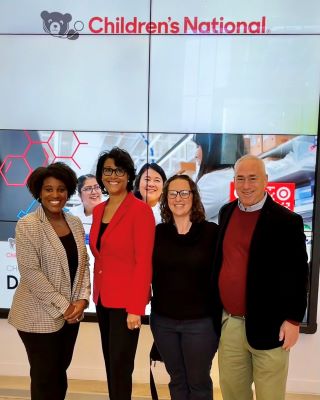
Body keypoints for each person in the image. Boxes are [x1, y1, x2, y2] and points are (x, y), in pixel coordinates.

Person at [213, 154, 309, 400]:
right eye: (240, 179)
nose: (246, 185)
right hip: (231, 324)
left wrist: (294, 320)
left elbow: (298, 274)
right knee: (233, 393)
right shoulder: (226, 212)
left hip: (271, 326)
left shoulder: (287, 221)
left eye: (253, 178)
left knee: (270, 396)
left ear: (266, 180)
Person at [8, 162, 91, 400]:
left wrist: (82, 301)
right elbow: (32, 274)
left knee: (59, 374)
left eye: (61, 189)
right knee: (45, 378)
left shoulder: (74, 222)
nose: (55, 195)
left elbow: (83, 264)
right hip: (36, 316)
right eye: (48, 189)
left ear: (68, 192)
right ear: (39, 192)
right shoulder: (28, 225)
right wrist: (66, 306)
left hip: (72, 316)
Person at [89, 147, 155, 400]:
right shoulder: (98, 211)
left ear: (128, 175)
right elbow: (101, 254)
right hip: (103, 300)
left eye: (119, 170)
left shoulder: (140, 211)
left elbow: (143, 262)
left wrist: (136, 307)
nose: (112, 175)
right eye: (107, 170)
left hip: (127, 304)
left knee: (120, 366)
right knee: (111, 364)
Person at [150, 174, 219, 400]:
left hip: (200, 324)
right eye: (172, 193)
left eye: (184, 192)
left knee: (198, 382)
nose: (178, 198)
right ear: (166, 198)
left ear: (193, 196)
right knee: (177, 380)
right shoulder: (157, 233)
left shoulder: (211, 233)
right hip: (163, 322)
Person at [193, 133, 245, 222]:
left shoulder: (213, 181)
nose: (195, 154)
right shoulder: (231, 176)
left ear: (212, 149)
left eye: (198, 146)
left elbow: (185, 217)